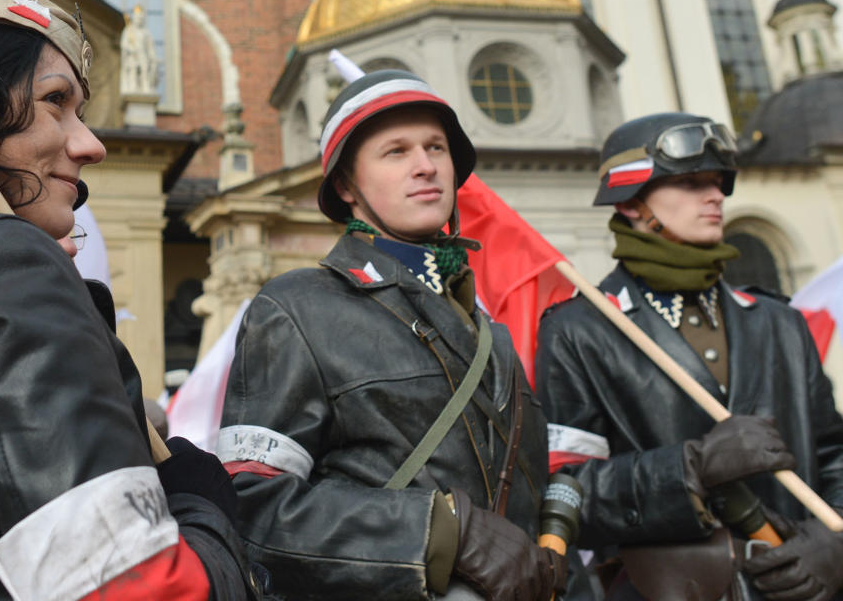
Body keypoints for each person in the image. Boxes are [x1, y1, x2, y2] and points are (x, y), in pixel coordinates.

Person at [0, 0, 256, 598]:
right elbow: (136, 589)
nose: (91, 145)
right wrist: (203, 514)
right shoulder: (7, 266)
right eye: (56, 101)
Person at [215, 69, 567, 600]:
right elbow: (254, 504)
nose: (426, 167)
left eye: (436, 147)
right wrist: (442, 531)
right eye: (396, 152)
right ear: (345, 186)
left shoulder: (490, 331)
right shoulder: (296, 307)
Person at [535, 112, 843, 600]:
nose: (717, 195)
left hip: (805, 588)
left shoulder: (780, 322)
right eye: (692, 181)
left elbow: (834, 455)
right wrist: (689, 469)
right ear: (633, 202)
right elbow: (566, 493)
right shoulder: (578, 330)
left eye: (719, 182)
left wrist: (833, 543)